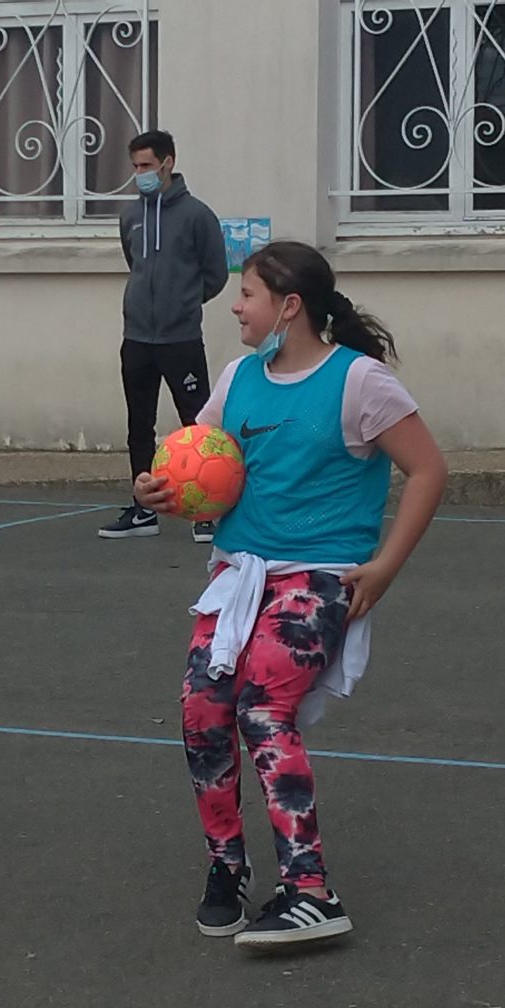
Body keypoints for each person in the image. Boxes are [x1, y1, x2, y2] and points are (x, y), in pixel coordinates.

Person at [134, 241, 447, 947]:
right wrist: (153, 490)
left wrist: (385, 567)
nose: (236, 307)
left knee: (262, 707)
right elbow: (193, 463)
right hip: (240, 574)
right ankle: (227, 865)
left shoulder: (359, 382)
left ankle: (310, 888)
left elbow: (428, 471)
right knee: (200, 708)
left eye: (247, 293)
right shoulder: (238, 377)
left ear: (289, 305)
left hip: (319, 576)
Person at [98, 129, 229, 543]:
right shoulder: (129, 216)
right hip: (137, 338)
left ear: (167, 163)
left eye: (147, 166)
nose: (140, 174)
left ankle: (205, 511)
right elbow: (133, 262)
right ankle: (143, 510)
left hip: (181, 338)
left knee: (198, 423)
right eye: (135, 167)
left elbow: (216, 274)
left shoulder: (197, 215)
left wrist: (183, 303)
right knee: (140, 425)